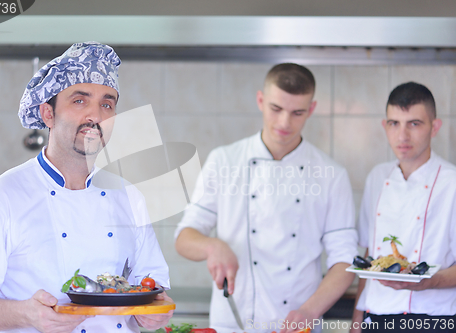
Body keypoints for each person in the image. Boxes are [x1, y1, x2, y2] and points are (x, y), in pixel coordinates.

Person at [0, 42, 173, 333]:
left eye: (107, 104)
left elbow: (153, 290)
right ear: (48, 114)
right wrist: (26, 315)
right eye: (79, 101)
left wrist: (155, 312)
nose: (95, 116)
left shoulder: (129, 196)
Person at [174, 63, 358, 333]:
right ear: (261, 100)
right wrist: (211, 246)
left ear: (312, 109)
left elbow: (346, 259)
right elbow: (184, 237)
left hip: (297, 326)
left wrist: (310, 311)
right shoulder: (224, 160)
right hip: (231, 323)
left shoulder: (331, 175)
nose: (285, 122)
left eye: (297, 112)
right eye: (276, 109)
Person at [351, 82, 456, 333]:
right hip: (376, 316)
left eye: (414, 123)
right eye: (394, 123)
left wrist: (428, 282)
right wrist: (357, 320)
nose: (402, 136)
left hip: (433, 319)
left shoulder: (451, 182)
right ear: (384, 126)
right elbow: (369, 257)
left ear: (434, 127)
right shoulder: (377, 177)